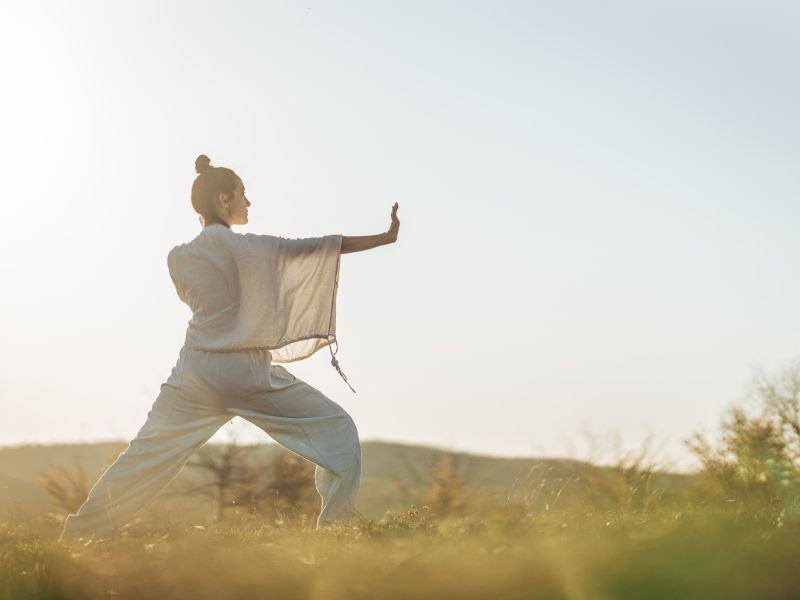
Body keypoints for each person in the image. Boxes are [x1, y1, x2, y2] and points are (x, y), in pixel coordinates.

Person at [58, 154, 400, 542]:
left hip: (196, 372)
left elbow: (196, 300)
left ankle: (77, 536)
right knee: (338, 430)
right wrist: (385, 237)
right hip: (247, 373)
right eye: (242, 194)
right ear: (224, 200)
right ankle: (337, 533)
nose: (248, 202)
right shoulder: (253, 249)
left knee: (143, 457)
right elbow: (321, 248)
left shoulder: (178, 258)